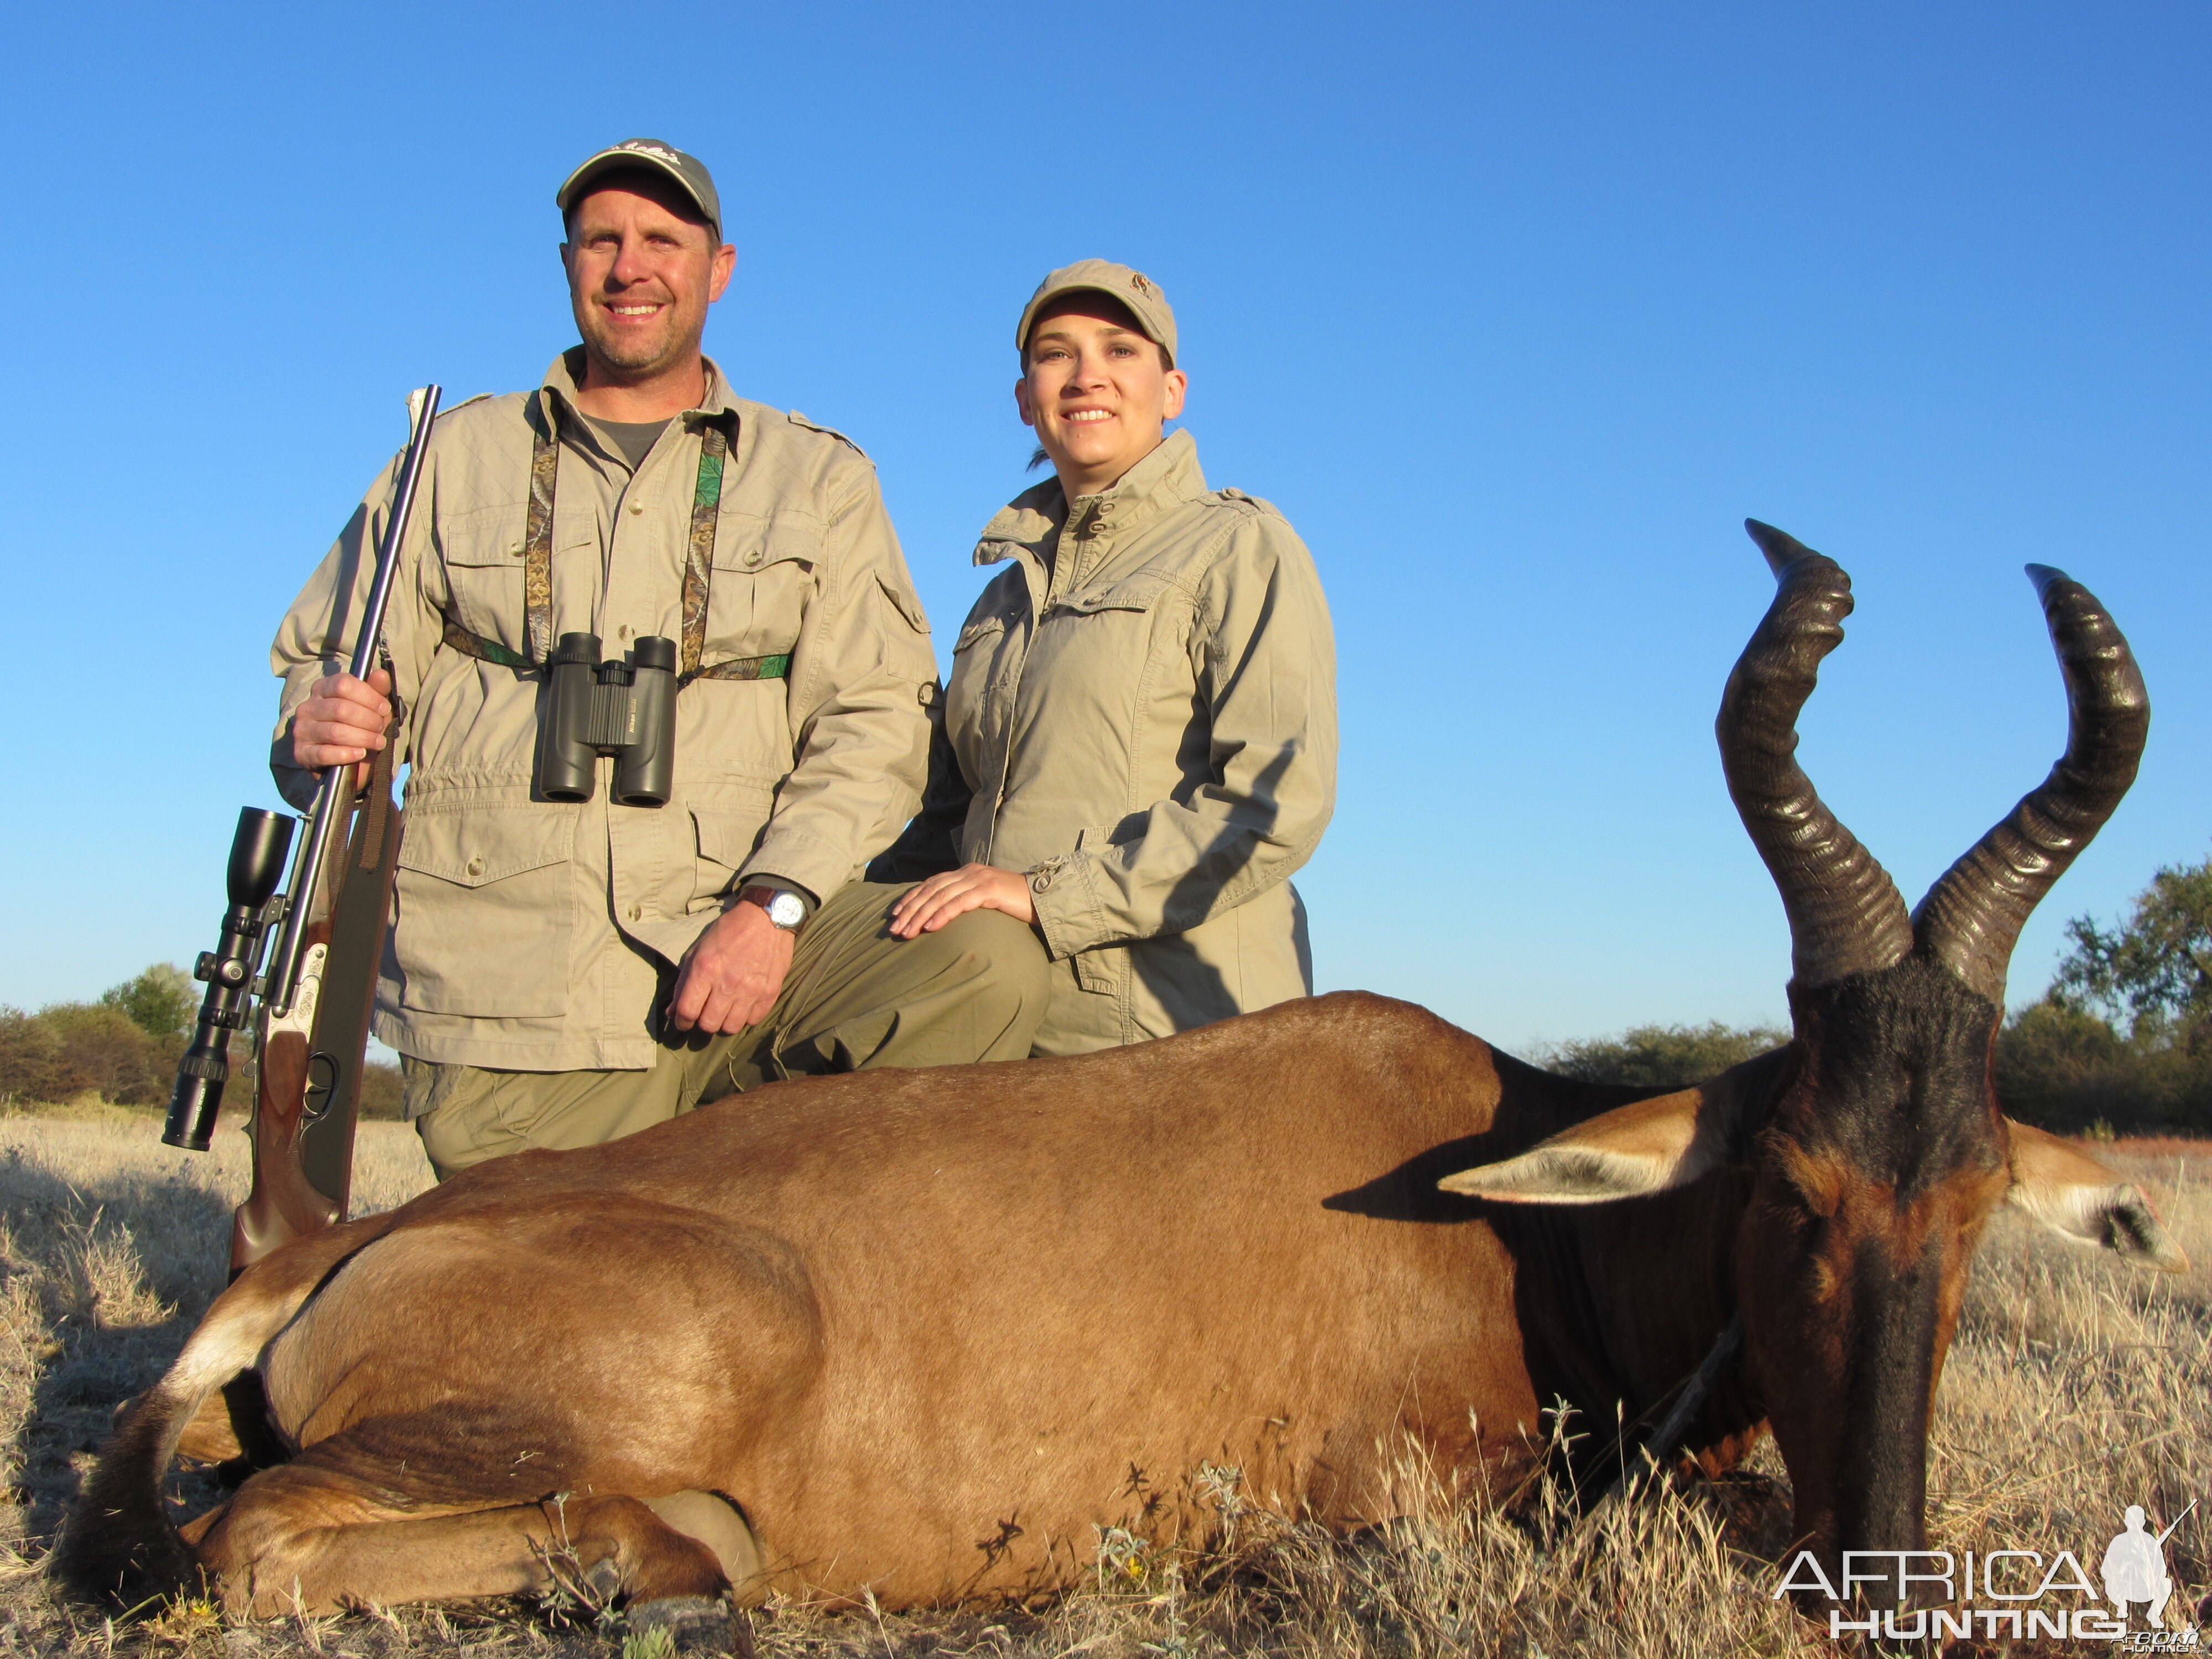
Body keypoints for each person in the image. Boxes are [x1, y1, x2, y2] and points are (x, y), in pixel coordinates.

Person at [275, 139, 1048, 1178]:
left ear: (718, 270)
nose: (630, 267)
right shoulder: (449, 458)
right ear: (567, 264)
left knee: (984, 961)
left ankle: (818, 1235)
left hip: (747, 959)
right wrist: (316, 725)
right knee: (581, 1308)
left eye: (662, 241)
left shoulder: (817, 475)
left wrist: (773, 906)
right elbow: (327, 673)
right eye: (603, 240)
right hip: (523, 1003)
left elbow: (878, 718)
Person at [884, 260, 1336, 1053]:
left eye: (1120, 349)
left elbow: (1275, 805)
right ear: (1026, 399)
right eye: (1056, 353)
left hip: (1175, 1045)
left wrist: (1045, 898)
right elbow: (948, 822)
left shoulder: (1240, 545)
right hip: (998, 1030)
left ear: (1173, 390)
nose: (1087, 374)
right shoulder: (999, 600)